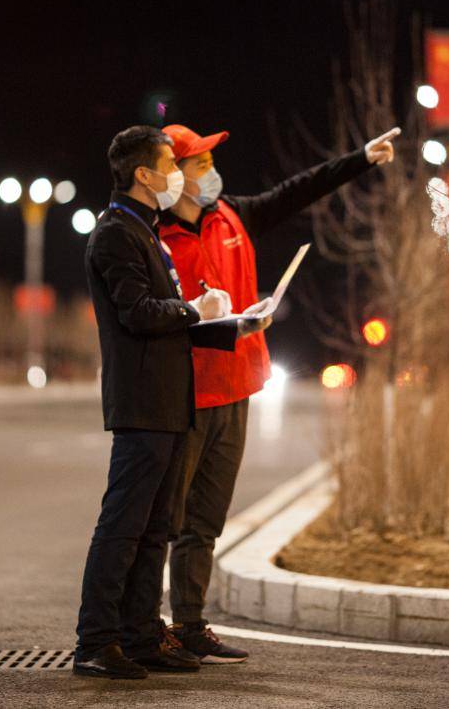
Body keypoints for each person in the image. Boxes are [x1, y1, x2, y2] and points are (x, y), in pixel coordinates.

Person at [159, 122, 400, 663]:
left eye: (208, 162)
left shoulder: (232, 215)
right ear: (171, 175)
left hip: (238, 387)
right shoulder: (155, 236)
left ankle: (191, 623)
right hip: (186, 393)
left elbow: (300, 189)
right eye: (198, 164)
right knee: (166, 520)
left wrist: (359, 158)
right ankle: (148, 629)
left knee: (206, 520)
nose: (210, 173)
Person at [73, 125, 268, 681]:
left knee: (157, 527)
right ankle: (96, 640)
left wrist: (231, 324)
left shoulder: (145, 230)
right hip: (141, 404)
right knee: (122, 527)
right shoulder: (115, 233)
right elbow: (137, 311)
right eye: (170, 165)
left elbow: (169, 318)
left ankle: (139, 637)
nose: (178, 176)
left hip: (169, 401)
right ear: (143, 173)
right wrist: (193, 311)